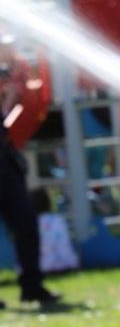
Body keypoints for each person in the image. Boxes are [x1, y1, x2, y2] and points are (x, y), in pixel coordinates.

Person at [0, 33, 62, 308]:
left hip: (5, 161)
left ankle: (32, 286)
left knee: (26, 223)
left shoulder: (10, 75)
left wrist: (10, 97)